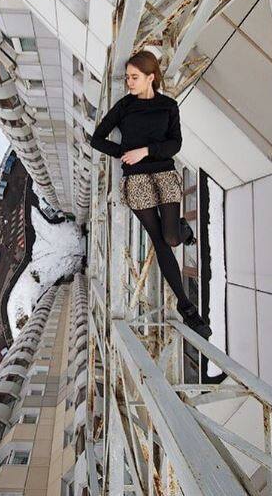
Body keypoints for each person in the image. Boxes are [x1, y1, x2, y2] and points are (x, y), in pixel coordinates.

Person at [90, 50, 212, 339]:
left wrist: (145, 151)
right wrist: (124, 153)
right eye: (127, 78)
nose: (129, 82)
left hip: (164, 172)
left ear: (150, 77)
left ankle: (182, 229)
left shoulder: (168, 106)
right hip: (136, 179)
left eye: (134, 77)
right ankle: (186, 306)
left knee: (171, 237)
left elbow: (175, 144)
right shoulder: (124, 106)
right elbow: (97, 139)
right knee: (159, 241)